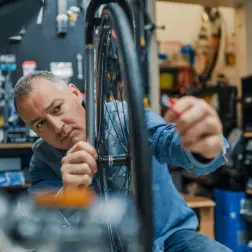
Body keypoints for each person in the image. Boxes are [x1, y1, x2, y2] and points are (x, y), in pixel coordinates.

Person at [14, 71, 231, 252]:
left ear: (75, 92)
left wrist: (202, 146)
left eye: (57, 109)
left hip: (167, 241)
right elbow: (39, 231)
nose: (57, 126)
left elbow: (168, 142)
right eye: (40, 124)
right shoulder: (43, 160)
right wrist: (69, 193)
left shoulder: (125, 117)